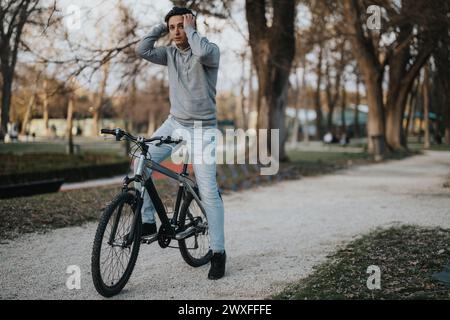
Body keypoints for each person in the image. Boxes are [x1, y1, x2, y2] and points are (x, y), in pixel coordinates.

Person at [135, 7, 226, 280]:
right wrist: (160, 29)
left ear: (191, 25)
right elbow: (142, 49)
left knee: (208, 190)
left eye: (180, 26)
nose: (176, 31)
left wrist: (191, 29)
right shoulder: (169, 53)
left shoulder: (210, 49)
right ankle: (148, 221)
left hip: (203, 129)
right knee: (141, 160)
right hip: (175, 123)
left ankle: (219, 253)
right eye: (172, 27)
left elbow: (202, 53)